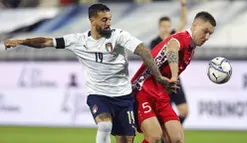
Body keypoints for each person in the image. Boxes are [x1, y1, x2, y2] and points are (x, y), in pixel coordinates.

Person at [4, 3, 175, 143]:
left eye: (110, 19)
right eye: (104, 20)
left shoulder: (119, 36)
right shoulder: (78, 41)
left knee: (126, 140)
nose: (108, 23)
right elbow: (46, 42)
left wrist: (158, 76)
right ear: (92, 21)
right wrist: (21, 41)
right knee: (104, 126)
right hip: (98, 95)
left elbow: (143, 51)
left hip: (123, 96)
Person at [132, 11, 216, 143]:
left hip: (161, 96)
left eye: (210, 34)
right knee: (154, 136)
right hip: (142, 90)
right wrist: (174, 76)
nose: (207, 37)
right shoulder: (183, 38)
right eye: (205, 31)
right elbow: (171, 49)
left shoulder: (191, 48)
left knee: (177, 138)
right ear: (194, 25)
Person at [150, 0, 188, 128]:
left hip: (175, 79)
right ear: (159, 27)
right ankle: (167, 134)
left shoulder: (173, 37)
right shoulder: (154, 43)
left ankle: (171, 132)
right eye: (163, 26)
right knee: (163, 115)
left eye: (168, 26)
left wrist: (183, 5)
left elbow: (183, 22)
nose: (166, 28)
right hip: (162, 83)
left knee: (184, 111)